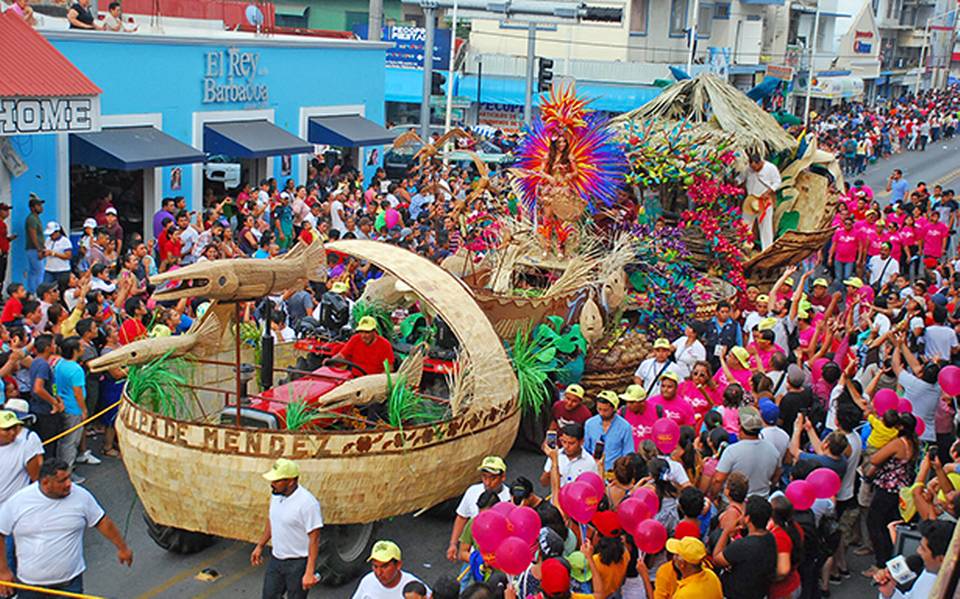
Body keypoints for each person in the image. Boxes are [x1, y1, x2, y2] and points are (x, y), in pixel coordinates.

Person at [0, 459, 132, 597]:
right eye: (62, 481)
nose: (69, 484)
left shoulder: (81, 497)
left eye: (69, 478)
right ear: (46, 483)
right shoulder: (18, 502)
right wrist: (3, 571)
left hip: (69, 585)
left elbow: (102, 522)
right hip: (30, 587)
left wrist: (123, 548)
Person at [251, 459, 323, 599]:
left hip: (298, 564)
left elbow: (314, 539)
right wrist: (260, 545)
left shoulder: (308, 504)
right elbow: (272, 520)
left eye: (277, 481)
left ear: (290, 481)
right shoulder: (276, 495)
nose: (272, 484)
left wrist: (309, 572)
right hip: (277, 559)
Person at [713, 495, 777, 599]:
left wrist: (726, 531)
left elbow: (717, 559)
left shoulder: (743, 546)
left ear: (747, 518)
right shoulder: (771, 538)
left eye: (742, 513)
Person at [447, 456, 509, 562]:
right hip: (474, 556)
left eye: (493, 478)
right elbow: (462, 517)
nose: (487, 483)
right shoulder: (472, 491)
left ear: (503, 477)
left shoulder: (510, 499)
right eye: (484, 477)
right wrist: (453, 544)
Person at [709, 407, 780, 498]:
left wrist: (713, 496)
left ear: (740, 428)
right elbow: (776, 475)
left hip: (733, 501)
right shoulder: (772, 449)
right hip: (762, 499)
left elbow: (718, 479)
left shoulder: (732, 451)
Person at [872, 519, 952, 599]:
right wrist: (889, 594)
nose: (918, 551)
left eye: (923, 549)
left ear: (941, 559)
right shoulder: (929, 572)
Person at [54, 337, 87, 483]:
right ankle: (67, 472)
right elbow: (77, 392)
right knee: (71, 442)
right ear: (75, 350)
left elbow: (55, 385)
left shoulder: (60, 364)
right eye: (81, 346)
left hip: (64, 405)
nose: (84, 348)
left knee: (64, 440)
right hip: (74, 408)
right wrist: (83, 410)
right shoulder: (76, 370)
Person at [352, 540, 424, 599]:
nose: (378, 573)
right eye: (375, 566)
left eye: (384, 567)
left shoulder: (414, 590)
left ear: (398, 565)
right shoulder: (367, 581)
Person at [583, 390, 634, 471]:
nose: (601, 413)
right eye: (599, 409)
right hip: (593, 469)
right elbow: (586, 449)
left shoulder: (625, 427)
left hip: (614, 471)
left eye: (605, 410)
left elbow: (628, 452)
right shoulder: (589, 424)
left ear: (614, 409)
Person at [741, 153, 782, 251]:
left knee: (765, 227)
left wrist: (768, 192)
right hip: (750, 200)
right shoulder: (748, 169)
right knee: (745, 224)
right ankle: (744, 247)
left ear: (760, 163)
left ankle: (767, 250)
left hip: (764, 201)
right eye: (752, 167)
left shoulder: (771, 168)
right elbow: (740, 178)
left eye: (756, 167)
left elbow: (777, 182)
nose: (754, 169)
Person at [541, 423, 597, 488]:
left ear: (581, 442)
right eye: (564, 442)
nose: (566, 446)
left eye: (571, 443)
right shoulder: (555, 455)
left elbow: (594, 487)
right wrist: (552, 472)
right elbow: (543, 483)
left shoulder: (590, 462)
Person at [24, 195, 44, 294]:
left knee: (33, 272)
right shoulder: (32, 219)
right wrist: (39, 249)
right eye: (38, 205)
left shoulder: (36, 218)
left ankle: (32, 292)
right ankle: (37, 292)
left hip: (35, 249)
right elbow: (33, 235)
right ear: (32, 208)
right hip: (34, 249)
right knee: (38, 272)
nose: (41, 207)